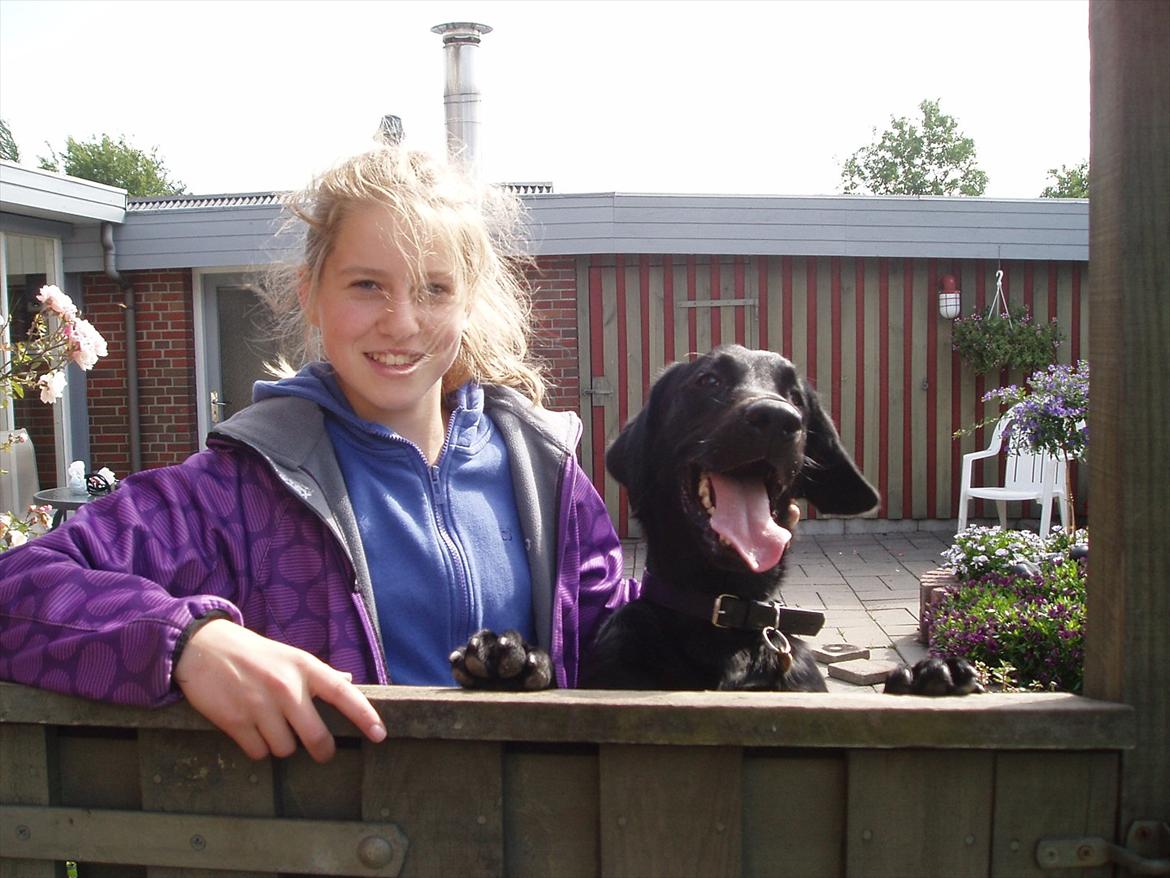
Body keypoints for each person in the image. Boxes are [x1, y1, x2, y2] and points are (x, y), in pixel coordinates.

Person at [0, 145, 636, 763]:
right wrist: (188, 640)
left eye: (435, 289)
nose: (402, 321)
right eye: (366, 285)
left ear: (469, 300)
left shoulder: (545, 474)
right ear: (311, 293)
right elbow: (18, 588)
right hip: (344, 844)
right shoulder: (236, 490)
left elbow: (618, 641)